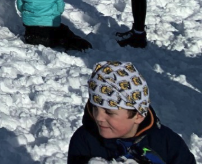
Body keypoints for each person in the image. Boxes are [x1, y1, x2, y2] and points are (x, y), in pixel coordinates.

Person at [67, 61, 197, 164]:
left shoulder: (167, 143)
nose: (99, 117)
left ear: (138, 115)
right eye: (95, 108)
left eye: (109, 112)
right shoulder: (85, 139)